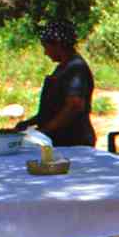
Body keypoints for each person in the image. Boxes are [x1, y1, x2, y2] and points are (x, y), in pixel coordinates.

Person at [16, 18, 96, 148]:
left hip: (73, 142)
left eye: (46, 47)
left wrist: (44, 131)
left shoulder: (76, 68)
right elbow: (54, 108)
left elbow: (74, 106)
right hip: (57, 140)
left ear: (58, 44)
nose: (45, 53)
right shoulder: (63, 67)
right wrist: (30, 123)